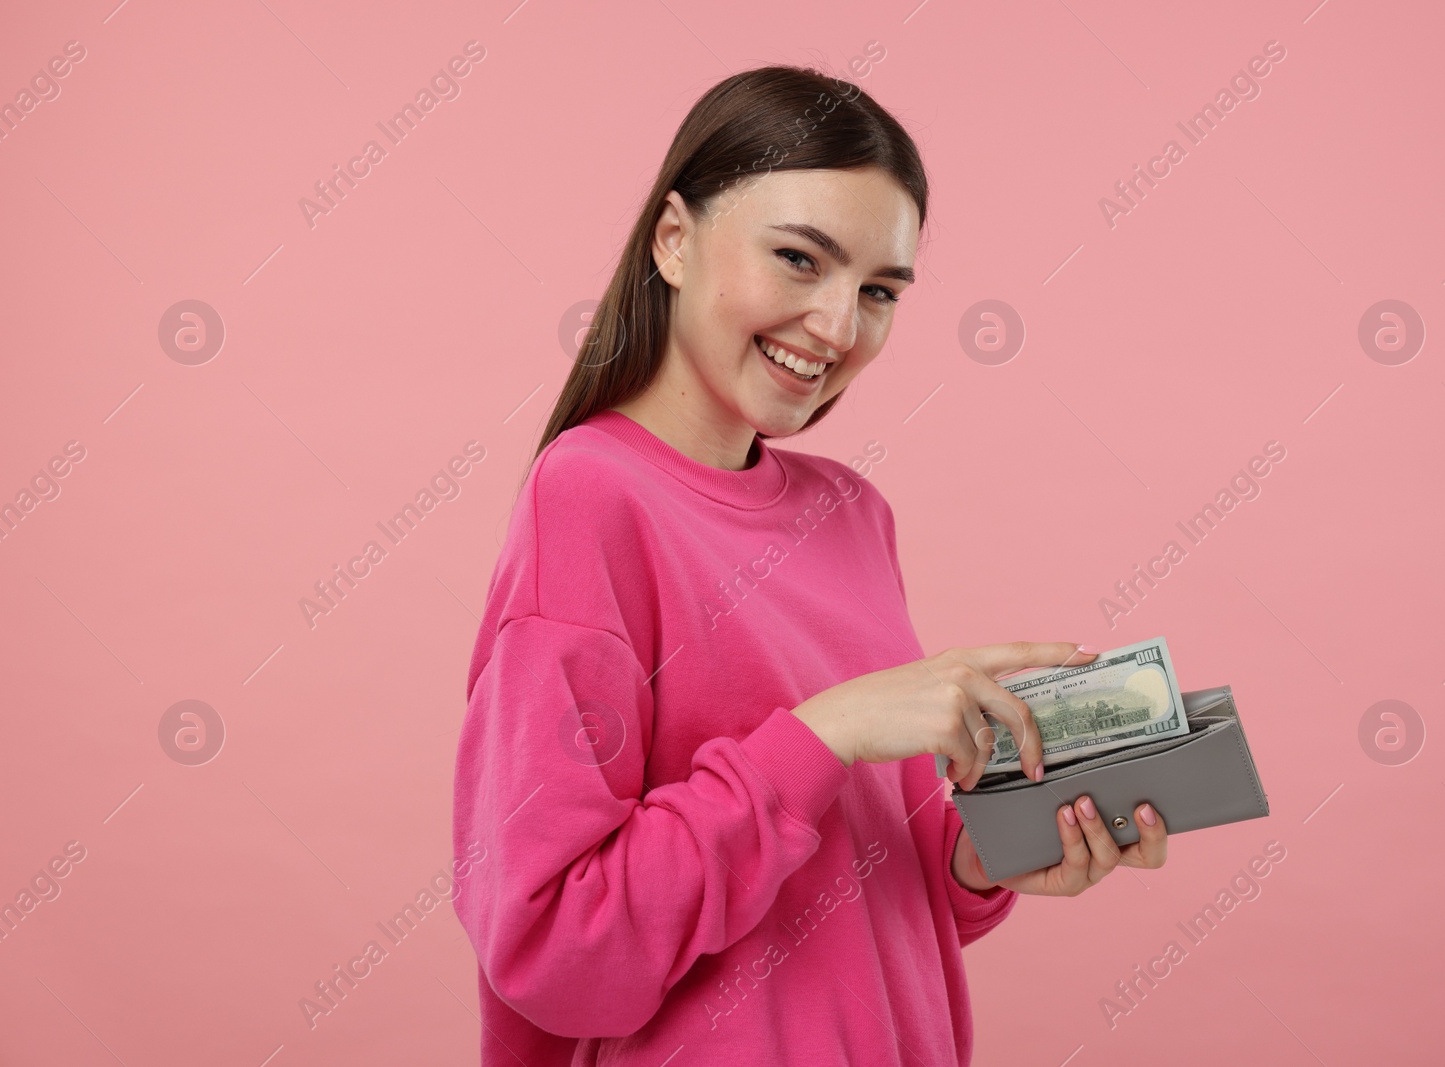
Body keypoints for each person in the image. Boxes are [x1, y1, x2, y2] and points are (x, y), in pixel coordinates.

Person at [450, 64, 1168, 1066]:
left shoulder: (851, 516)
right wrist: (821, 733)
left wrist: (987, 852)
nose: (839, 327)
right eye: (798, 259)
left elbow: (854, 888)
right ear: (673, 240)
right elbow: (560, 947)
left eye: (878, 290)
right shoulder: (588, 498)